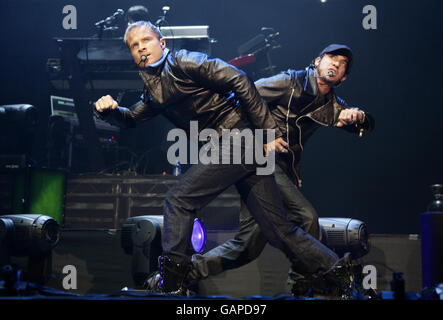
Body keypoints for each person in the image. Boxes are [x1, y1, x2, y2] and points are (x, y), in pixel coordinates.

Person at [94, 21, 351, 295]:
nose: (141, 47)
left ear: (162, 43)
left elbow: (239, 78)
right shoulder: (154, 89)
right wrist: (109, 111)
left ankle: (171, 281)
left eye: (146, 40)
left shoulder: (185, 62)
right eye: (134, 46)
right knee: (277, 229)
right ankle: (337, 271)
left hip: (238, 138)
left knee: (178, 199)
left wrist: (267, 132)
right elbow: (132, 117)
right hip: (239, 145)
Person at [144, 44, 374, 296]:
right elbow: (247, 95)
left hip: (279, 171)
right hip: (259, 157)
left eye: (341, 65)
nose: (335, 64)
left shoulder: (329, 104)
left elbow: (360, 122)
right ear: (317, 61)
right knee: (306, 217)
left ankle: (179, 275)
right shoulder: (289, 82)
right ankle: (305, 284)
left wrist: (359, 117)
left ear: (343, 78)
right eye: (331, 58)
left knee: (247, 246)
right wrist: (252, 137)